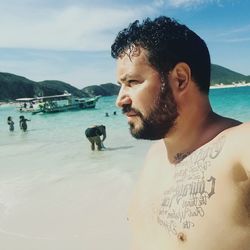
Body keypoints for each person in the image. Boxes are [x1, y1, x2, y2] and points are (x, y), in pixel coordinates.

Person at [111, 16, 250, 250]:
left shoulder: (240, 144)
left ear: (180, 79)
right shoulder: (154, 157)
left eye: (133, 82)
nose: (119, 100)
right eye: (120, 85)